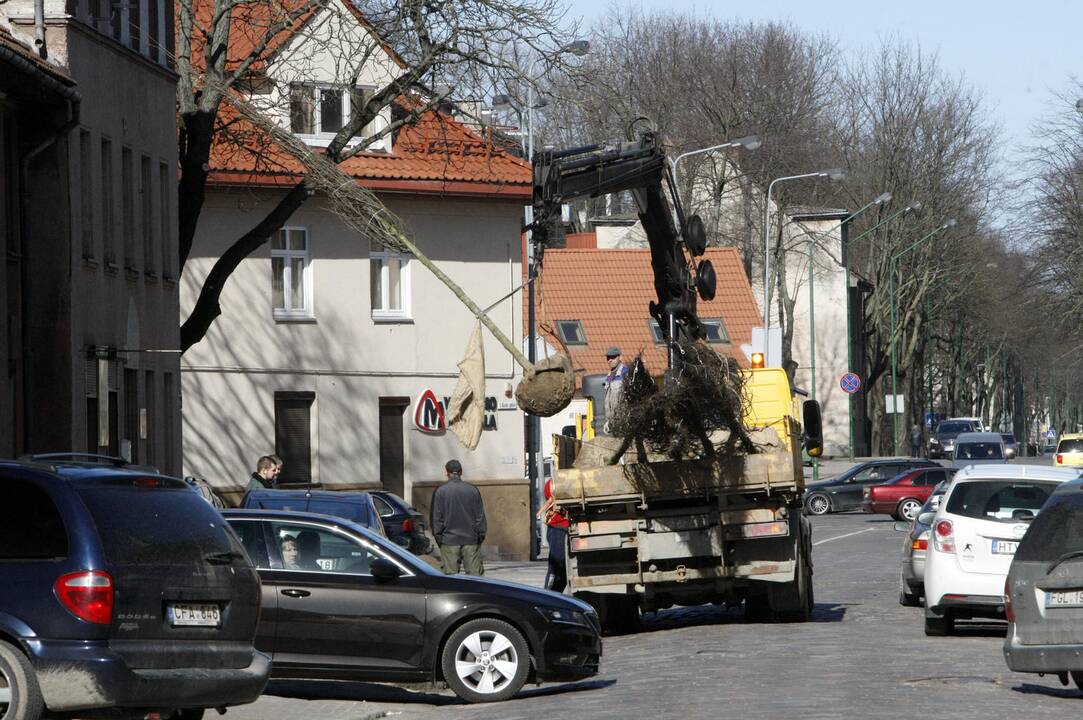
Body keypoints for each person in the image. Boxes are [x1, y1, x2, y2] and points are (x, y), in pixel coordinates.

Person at [431, 459, 486, 576]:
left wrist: (439, 538)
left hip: (449, 540)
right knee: (476, 579)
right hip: (471, 539)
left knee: (450, 580)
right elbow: (480, 516)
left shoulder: (441, 492)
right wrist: (480, 535)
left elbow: (437, 518)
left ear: (447, 473)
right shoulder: (472, 490)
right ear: (461, 472)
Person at [537, 477, 569, 593]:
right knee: (556, 566)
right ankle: (549, 596)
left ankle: (553, 596)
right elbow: (549, 494)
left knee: (561, 569)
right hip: (558, 527)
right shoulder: (553, 484)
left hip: (559, 527)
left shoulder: (553, 483)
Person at [603, 346, 628, 432]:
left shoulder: (626, 373)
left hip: (623, 421)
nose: (610, 360)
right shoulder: (609, 377)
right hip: (612, 423)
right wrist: (608, 421)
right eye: (608, 358)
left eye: (613, 357)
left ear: (620, 357)